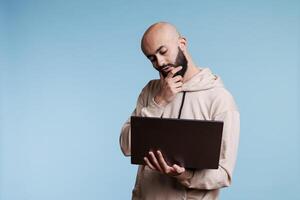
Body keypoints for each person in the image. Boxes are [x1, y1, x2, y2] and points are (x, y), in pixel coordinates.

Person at [119, 22, 240, 200]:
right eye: (152, 58)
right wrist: (159, 102)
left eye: (163, 51)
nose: (159, 62)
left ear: (182, 43)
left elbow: (224, 174)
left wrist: (183, 176)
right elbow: (126, 146)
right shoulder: (151, 91)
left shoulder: (220, 99)